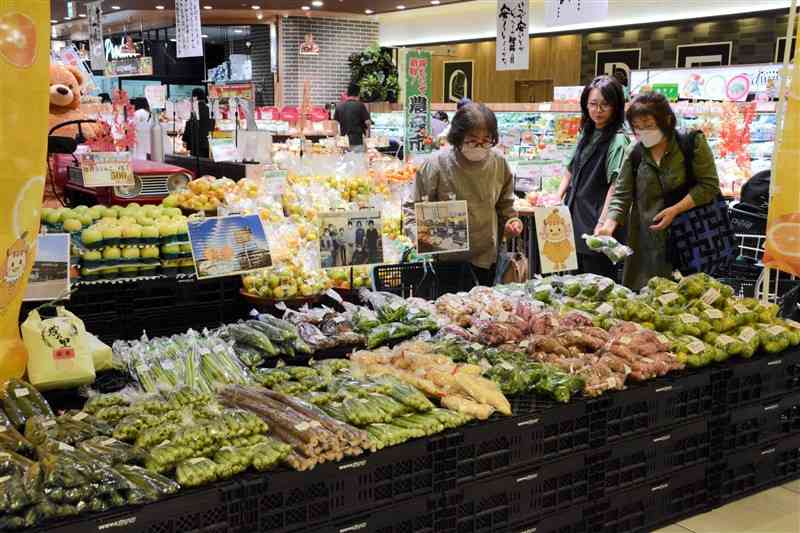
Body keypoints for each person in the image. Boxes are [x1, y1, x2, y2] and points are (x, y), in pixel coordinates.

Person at [596, 92, 721, 290]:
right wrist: (608, 226)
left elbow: (709, 185)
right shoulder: (635, 152)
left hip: (688, 239)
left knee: (686, 300)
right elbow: (622, 194)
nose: (643, 132)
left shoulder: (691, 144)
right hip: (645, 244)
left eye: (649, 126)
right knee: (644, 302)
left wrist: (675, 210)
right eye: (637, 127)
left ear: (667, 120)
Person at [406, 102, 523, 286]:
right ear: (457, 137)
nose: (479, 146)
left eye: (486, 140)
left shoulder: (498, 163)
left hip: (486, 257)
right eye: (472, 140)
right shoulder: (436, 165)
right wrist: (417, 235)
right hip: (446, 260)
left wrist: (512, 222)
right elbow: (413, 209)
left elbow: (505, 205)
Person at [558, 75, 629, 278]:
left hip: (597, 221)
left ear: (616, 107)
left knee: (596, 281)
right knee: (576, 281)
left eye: (604, 105)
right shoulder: (587, 133)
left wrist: (603, 222)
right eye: (593, 104)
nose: (598, 111)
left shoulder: (618, 140)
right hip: (576, 216)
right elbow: (570, 169)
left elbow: (615, 187)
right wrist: (557, 197)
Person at [334, 82, 371, 153]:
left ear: (348, 93)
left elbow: (335, 124)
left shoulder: (339, 106)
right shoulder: (360, 105)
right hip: (357, 141)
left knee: (345, 162)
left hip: (344, 141)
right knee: (357, 161)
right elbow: (367, 122)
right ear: (358, 94)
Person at [182, 88, 214, 158]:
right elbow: (213, 124)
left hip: (195, 142)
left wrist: (184, 139)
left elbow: (189, 125)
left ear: (195, 97)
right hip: (208, 142)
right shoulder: (210, 109)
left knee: (196, 164)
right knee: (206, 162)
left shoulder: (193, 110)